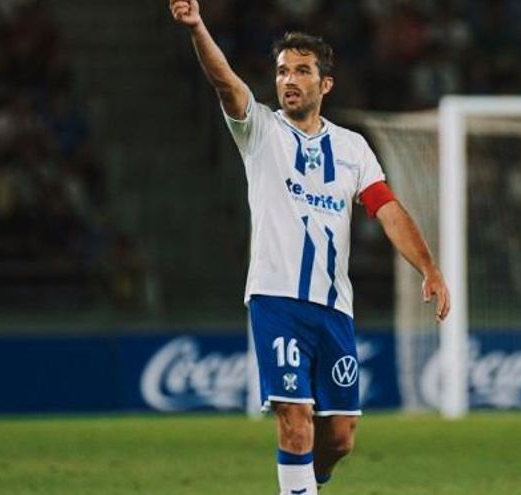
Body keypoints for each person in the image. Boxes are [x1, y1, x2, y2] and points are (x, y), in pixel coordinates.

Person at [169, 1, 451, 493]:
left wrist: (429, 267)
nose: (289, 80)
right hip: (276, 300)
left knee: (339, 437)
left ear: (326, 84)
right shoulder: (259, 131)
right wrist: (196, 26)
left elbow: (386, 208)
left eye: (302, 71)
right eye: (282, 72)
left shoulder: (352, 148)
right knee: (294, 416)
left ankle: (306, 483)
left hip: (333, 309)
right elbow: (226, 83)